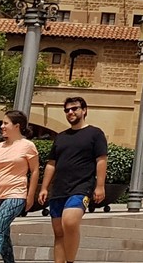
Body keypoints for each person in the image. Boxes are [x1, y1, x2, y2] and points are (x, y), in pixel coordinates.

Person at [37, 97, 108, 263]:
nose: (70, 112)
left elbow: (101, 160)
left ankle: (70, 261)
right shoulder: (61, 137)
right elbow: (51, 164)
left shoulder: (95, 133)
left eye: (74, 108)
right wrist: (44, 187)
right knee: (58, 232)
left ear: (84, 110)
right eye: (67, 110)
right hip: (59, 189)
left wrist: (100, 186)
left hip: (81, 186)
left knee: (69, 222)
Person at [0, 110, 40, 263]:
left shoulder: (28, 146)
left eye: (5, 123)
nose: (2, 126)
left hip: (16, 195)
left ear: (17, 126)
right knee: (3, 234)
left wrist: (30, 196)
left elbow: (35, 171)